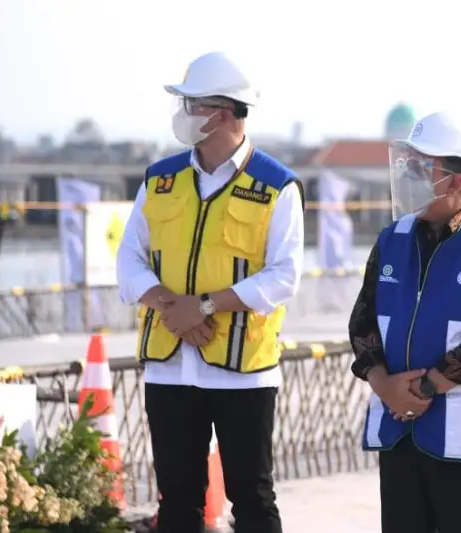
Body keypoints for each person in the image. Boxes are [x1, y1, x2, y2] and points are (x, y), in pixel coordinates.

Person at [116, 51, 305, 533]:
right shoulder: (160, 179)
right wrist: (172, 308)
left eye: (191, 104)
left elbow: (284, 277)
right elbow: (129, 261)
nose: (183, 114)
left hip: (242, 371)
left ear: (221, 114)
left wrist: (202, 307)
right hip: (169, 365)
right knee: (176, 500)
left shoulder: (276, 186)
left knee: (253, 499)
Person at [348, 111, 461, 533]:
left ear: (454, 181)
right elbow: (362, 321)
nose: (408, 176)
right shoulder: (391, 239)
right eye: (407, 164)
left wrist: (427, 388)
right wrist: (383, 384)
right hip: (397, 430)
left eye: (421, 167)